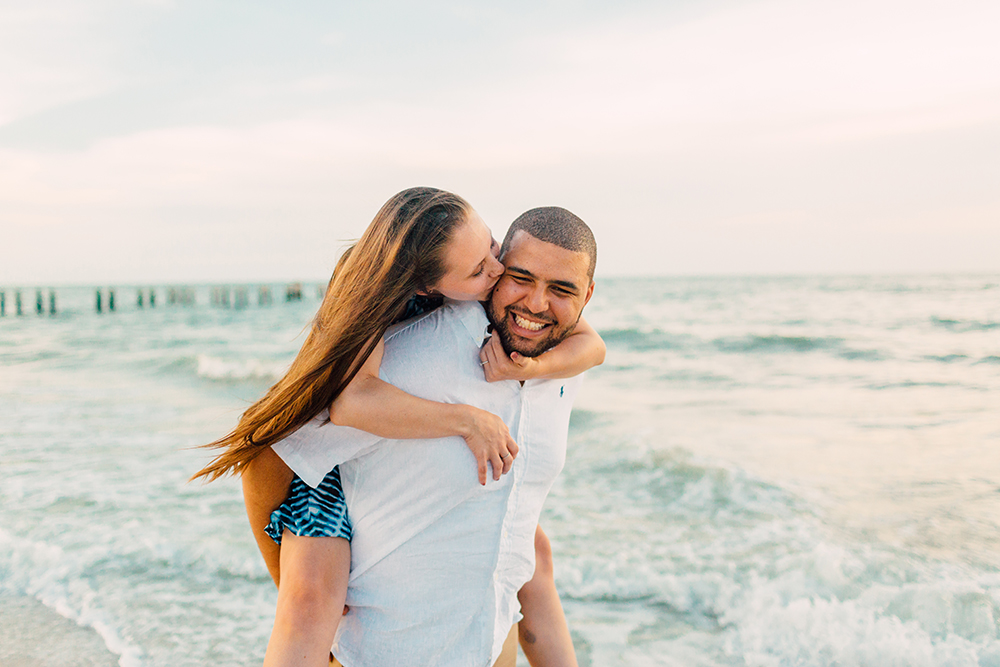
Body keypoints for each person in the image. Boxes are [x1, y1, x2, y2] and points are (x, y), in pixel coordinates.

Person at [191, 189, 604, 667]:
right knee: (309, 597)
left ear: (586, 295)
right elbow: (273, 449)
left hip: (490, 645)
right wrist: (294, 589)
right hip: (380, 647)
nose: (534, 302)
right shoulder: (404, 351)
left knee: (536, 547)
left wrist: (534, 369)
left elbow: (594, 346)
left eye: (561, 289)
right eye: (516, 276)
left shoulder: (557, 361)